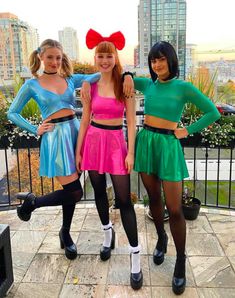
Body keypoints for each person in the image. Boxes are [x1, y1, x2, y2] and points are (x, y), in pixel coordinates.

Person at [123, 41, 220, 295]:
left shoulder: (183, 87)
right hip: (146, 142)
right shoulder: (150, 84)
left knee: (175, 209)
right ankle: (161, 238)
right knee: (154, 197)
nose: (157, 65)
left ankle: (180, 260)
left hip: (167, 145)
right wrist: (127, 75)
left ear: (171, 60)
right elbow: (128, 78)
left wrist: (186, 130)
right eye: (153, 61)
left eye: (161, 59)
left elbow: (212, 112)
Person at [7, 39, 100, 260]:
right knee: (75, 192)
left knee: (72, 190)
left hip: (75, 133)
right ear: (41, 57)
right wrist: (34, 129)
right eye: (50, 57)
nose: (54, 62)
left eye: (58, 57)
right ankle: (32, 202)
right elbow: (12, 112)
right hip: (55, 139)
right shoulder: (31, 84)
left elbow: (97, 76)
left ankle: (65, 233)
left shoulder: (69, 79)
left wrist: (119, 76)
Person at [76, 29, 143, 290]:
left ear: (116, 58)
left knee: (125, 201)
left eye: (109, 56)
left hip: (116, 143)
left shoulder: (125, 84)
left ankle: (135, 257)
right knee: (99, 193)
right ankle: (107, 235)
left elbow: (132, 122)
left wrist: (131, 152)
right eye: (100, 56)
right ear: (95, 58)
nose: (104, 60)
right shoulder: (89, 86)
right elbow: (84, 121)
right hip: (93, 140)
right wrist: (78, 151)